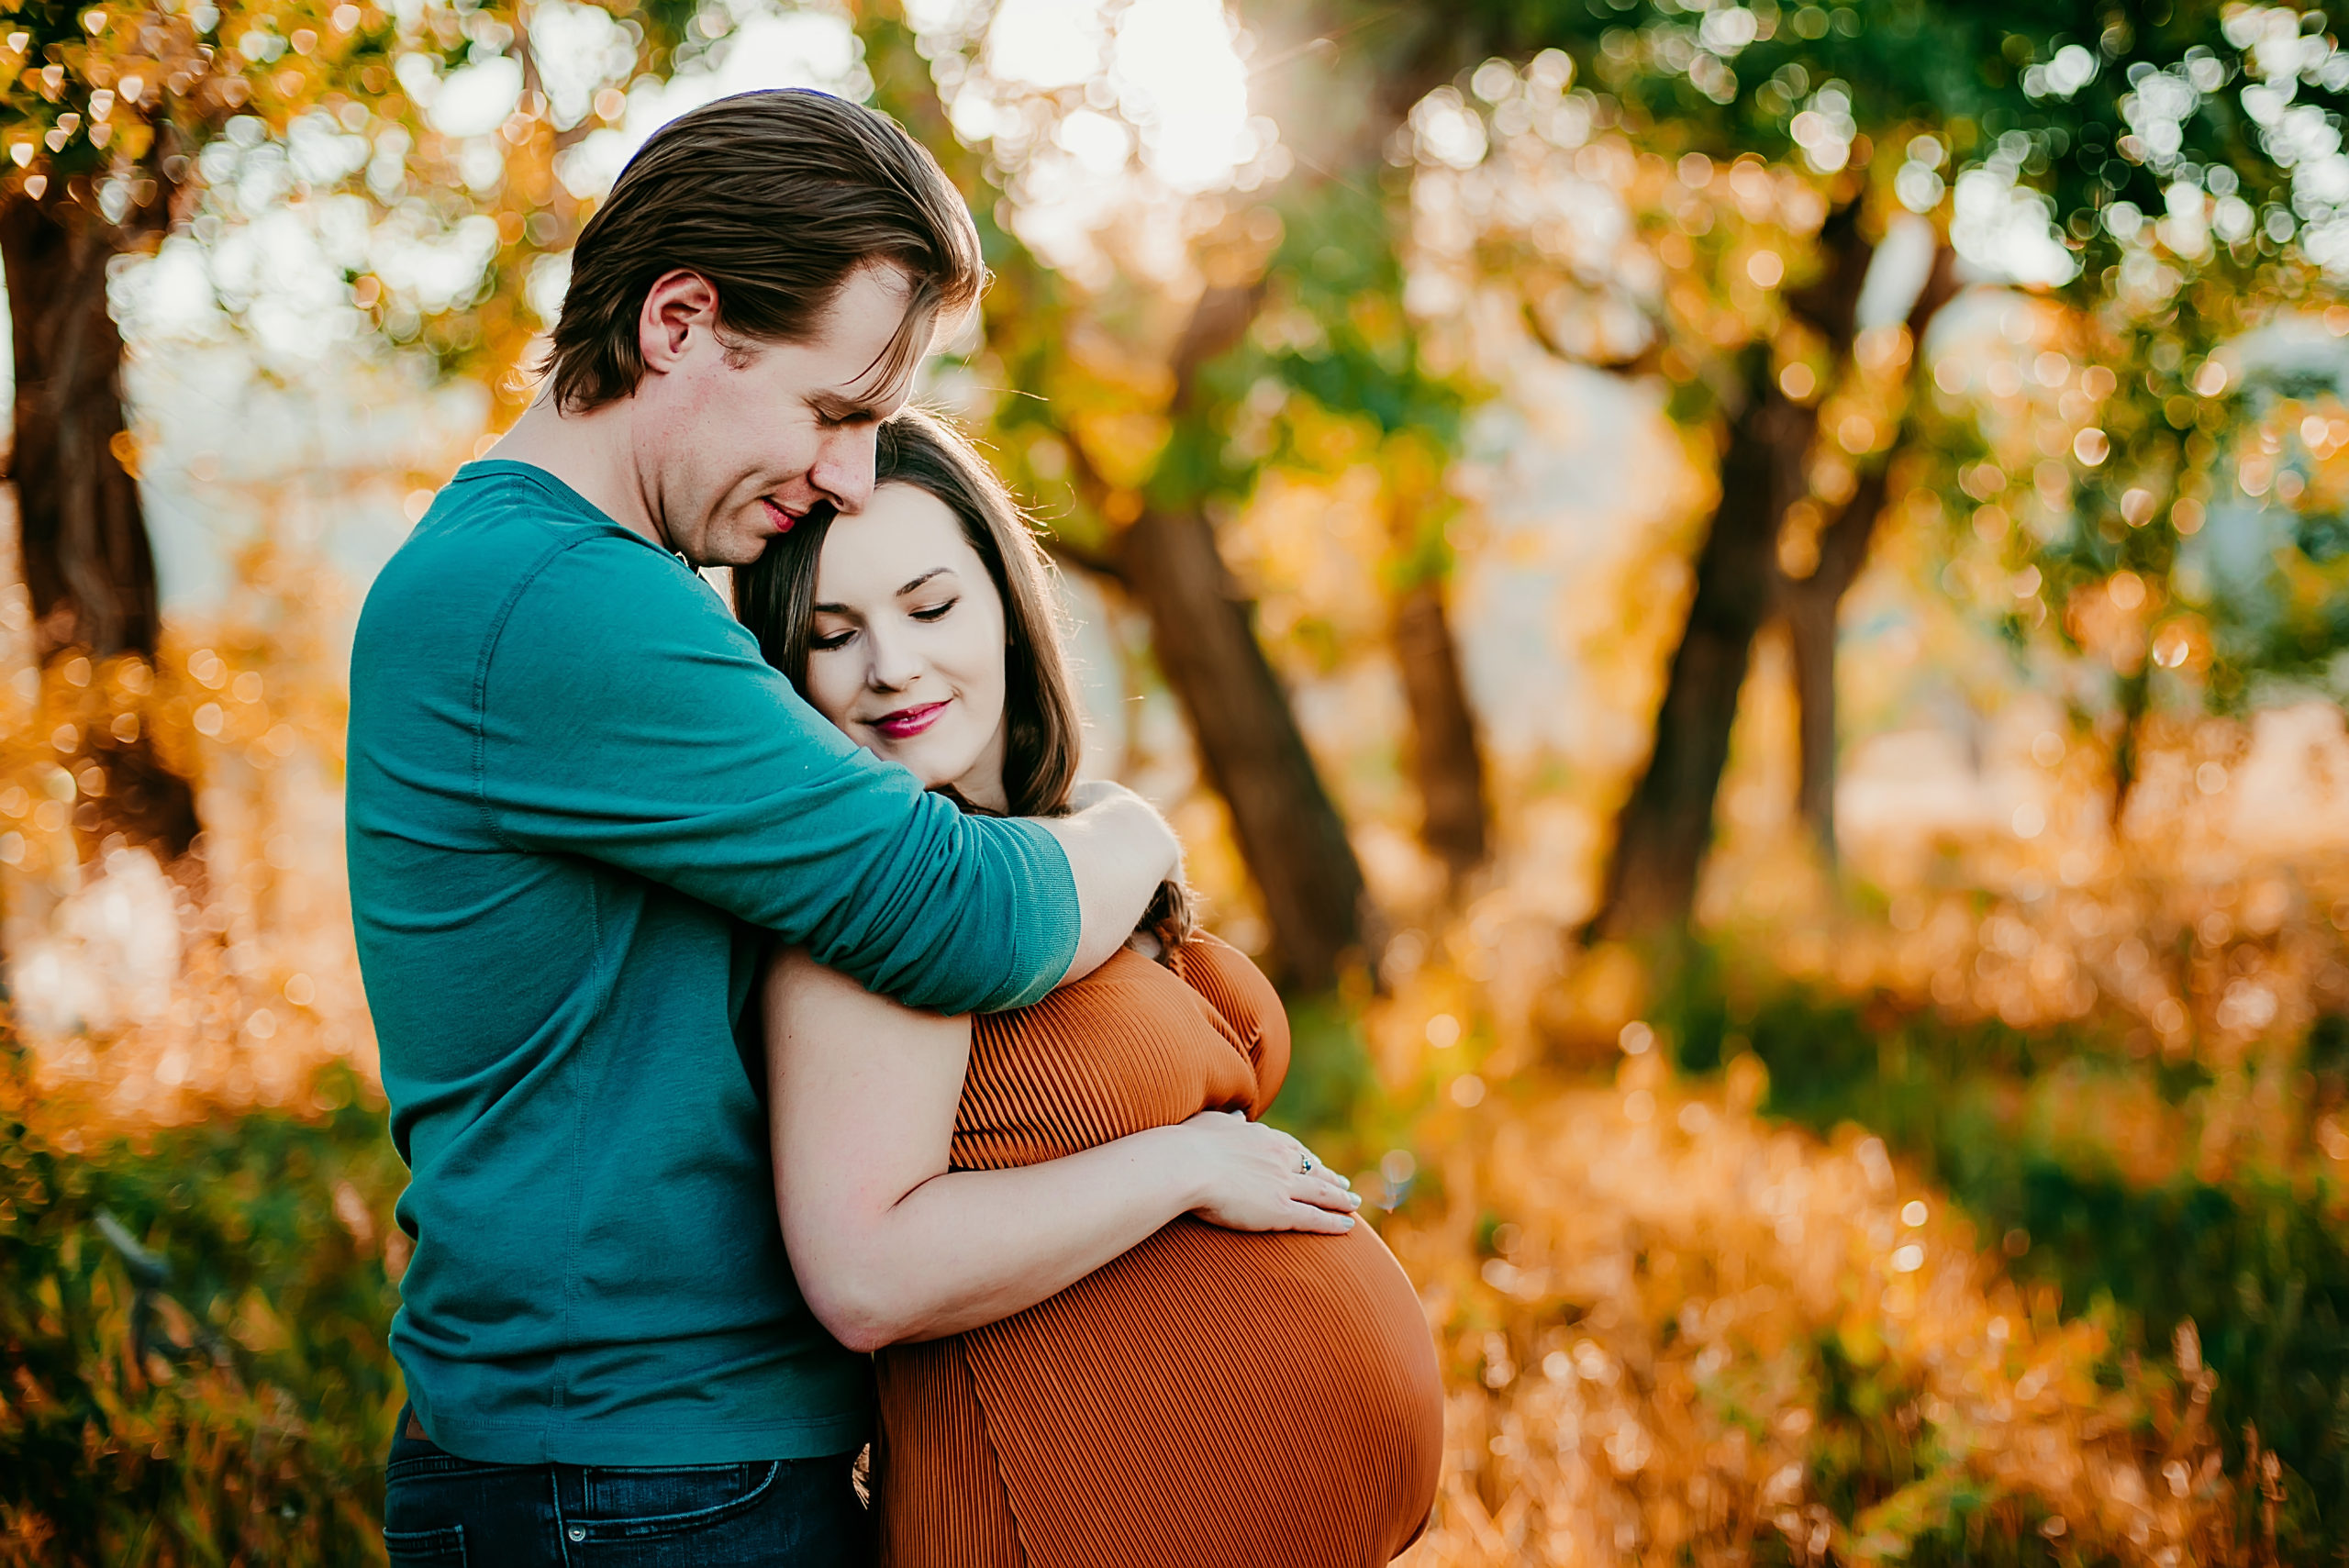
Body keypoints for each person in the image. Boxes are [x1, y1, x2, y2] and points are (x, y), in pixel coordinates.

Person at [350, 90, 1318, 1565]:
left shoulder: (579, 589)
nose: (850, 475)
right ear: (679, 322)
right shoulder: (561, 604)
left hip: (649, 1474)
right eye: (834, 410)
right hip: (625, 1490)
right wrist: (1139, 832)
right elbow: (958, 914)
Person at [736, 407, 1444, 1568]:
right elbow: (867, 1271)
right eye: (833, 633)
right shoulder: (868, 918)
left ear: (1007, 604)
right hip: (1042, 1514)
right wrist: (1185, 1162)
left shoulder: (1057, 855)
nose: (893, 665)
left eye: (929, 605)